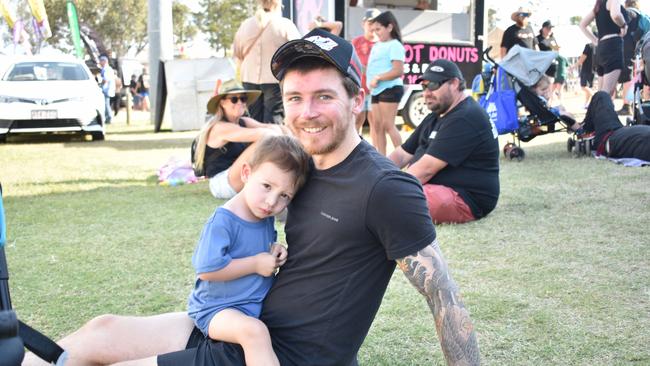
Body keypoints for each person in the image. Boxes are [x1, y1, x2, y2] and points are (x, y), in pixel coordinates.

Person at [23, 29, 480, 366]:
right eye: (295, 98)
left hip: (277, 354)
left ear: (355, 99)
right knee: (98, 333)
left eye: (323, 96)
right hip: (236, 318)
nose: (307, 112)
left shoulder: (384, 187)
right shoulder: (295, 165)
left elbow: (443, 296)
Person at [187, 135, 309, 366]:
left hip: (251, 304)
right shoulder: (224, 220)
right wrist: (255, 264)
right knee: (254, 333)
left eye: (284, 196)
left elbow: (259, 249)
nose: (272, 201)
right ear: (246, 174)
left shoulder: (262, 215)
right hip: (217, 310)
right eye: (267, 186)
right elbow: (207, 270)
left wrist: (274, 251)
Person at [388, 59, 500, 224]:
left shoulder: (465, 117)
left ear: (454, 84)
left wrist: (383, 188)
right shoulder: (437, 115)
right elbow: (402, 154)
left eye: (433, 85)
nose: (426, 92)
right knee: (388, 199)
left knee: (391, 203)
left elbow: (426, 170)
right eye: (424, 86)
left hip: (464, 197)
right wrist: (374, 175)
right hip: (434, 188)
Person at [192, 79, 288, 199]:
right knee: (265, 142)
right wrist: (285, 137)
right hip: (222, 183)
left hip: (238, 176)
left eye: (243, 99)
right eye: (234, 99)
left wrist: (289, 133)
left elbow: (275, 128)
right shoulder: (220, 127)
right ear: (222, 103)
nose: (240, 103)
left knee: (274, 140)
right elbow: (267, 135)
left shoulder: (243, 122)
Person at [232, 0, 300, 124]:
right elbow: (298, 51)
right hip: (275, 79)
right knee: (274, 118)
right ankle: (272, 143)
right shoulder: (285, 24)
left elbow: (237, 53)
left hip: (249, 79)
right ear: (278, 4)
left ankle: (256, 143)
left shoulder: (246, 25)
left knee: (253, 119)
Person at [366, 11, 405, 155]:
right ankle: (382, 159)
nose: (376, 33)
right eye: (374, 30)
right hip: (376, 90)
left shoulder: (395, 45)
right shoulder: (377, 45)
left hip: (390, 88)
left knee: (388, 125)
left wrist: (378, 78)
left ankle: (403, 158)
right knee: (377, 127)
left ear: (389, 27)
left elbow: (398, 71)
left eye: (378, 29)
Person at [573, 91, 650, 160]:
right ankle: (584, 131)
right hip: (619, 133)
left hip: (610, 136)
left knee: (601, 96)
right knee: (602, 96)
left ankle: (584, 131)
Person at [580, 0, 627, 98]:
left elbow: (582, 25)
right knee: (607, 92)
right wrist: (623, 25)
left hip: (601, 48)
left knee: (601, 91)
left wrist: (596, 41)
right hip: (612, 46)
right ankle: (602, 112)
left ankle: (597, 112)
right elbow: (616, 15)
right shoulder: (613, 1)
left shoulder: (599, 5)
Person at [351, 8, 380, 132]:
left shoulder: (383, 44)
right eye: (369, 23)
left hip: (377, 90)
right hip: (358, 89)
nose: (372, 27)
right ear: (363, 24)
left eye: (376, 23)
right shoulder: (356, 42)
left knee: (376, 123)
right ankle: (356, 148)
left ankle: (376, 150)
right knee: (357, 120)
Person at [571, 42, 596, 109]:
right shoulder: (596, 45)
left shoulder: (588, 46)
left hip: (586, 70)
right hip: (593, 70)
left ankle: (596, 98)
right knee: (588, 88)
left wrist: (574, 66)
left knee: (583, 86)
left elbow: (582, 58)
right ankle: (586, 104)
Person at [99, 55, 116, 124]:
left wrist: (100, 85)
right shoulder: (108, 69)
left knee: (106, 104)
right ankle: (107, 118)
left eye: (101, 61)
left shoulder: (106, 69)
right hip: (108, 89)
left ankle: (109, 118)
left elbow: (105, 80)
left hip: (106, 89)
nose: (100, 62)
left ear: (105, 61)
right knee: (106, 104)